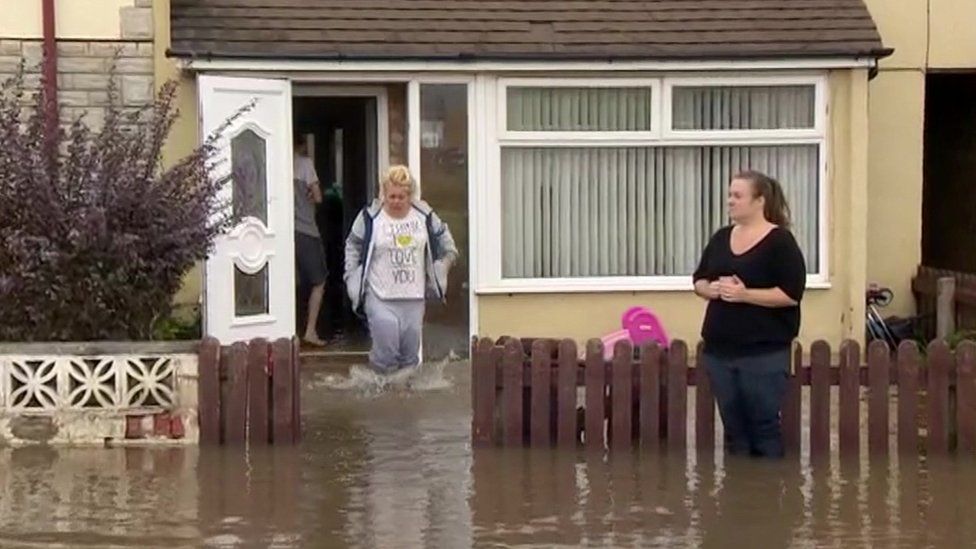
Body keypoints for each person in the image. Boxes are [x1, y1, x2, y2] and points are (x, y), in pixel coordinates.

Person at [692, 170, 807, 458]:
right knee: (734, 430)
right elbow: (699, 280)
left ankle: (768, 493)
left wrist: (746, 295)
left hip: (763, 352)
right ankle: (738, 494)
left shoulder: (781, 243)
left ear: (759, 201)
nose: (730, 201)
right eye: (730, 195)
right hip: (720, 351)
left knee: (764, 427)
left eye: (737, 196)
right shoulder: (720, 238)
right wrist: (712, 289)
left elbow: (790, 294)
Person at [343, 165, 458, 373]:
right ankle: (383, 400)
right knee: (386, 358)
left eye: (401, 197)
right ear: (383, 194)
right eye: (391, 196)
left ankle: (406, 401)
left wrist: (445, 264)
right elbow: (352, 244)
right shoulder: (371, 218)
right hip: (380, 297)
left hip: (414, 298)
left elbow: (445, 240)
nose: (396, 201)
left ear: (410, 196)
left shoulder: (424, 216)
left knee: (409, 359)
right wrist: (352, 275)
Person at [293, 132, 327, 347]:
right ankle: (310, 331)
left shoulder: (276, 160)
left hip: (285, 231)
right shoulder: (305, 164)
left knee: (289, 281)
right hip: (306, 229)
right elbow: (318, 197)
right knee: (319, 280)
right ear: (302, 145)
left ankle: (286, 329)